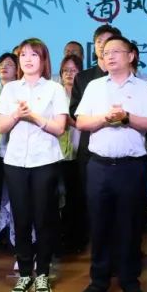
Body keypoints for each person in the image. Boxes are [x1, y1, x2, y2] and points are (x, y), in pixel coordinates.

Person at [75, 35, 147, 292]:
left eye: (115, 51)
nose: (109, 56)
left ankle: (130, 281)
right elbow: (81, 122)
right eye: (105, 52)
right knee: (99, 225)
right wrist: (105, 118)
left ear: (131, 56)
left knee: (130, 226)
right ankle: (98, 280)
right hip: (99, 166)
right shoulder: (94, 86)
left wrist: (126, 118)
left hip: (131, 167)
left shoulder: (144, 88)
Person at [0, 38, 69, 292]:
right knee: (21, 218)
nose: (27, 59)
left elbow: (59, 128)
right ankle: (25, 274)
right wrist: (17, 115)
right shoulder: (10, 89)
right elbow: (2, 127)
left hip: (44, 160)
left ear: (43, 59)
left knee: (44, 218)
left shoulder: (54, 89)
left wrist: (34, 116)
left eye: (34, 55)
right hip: (15, 161)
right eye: (23, 55)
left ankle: (43, 275)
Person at [69, 24, 122, 253]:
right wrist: (101, 118)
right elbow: (74, 111)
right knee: (91, 200)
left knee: (121, 204)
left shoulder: (128, 77)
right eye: (100, 42)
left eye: (109, 42)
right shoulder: (83, 78)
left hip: (121, 147)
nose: (104, 46)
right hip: (90, 147)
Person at [0, 52, 19, 250]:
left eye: (9, 64)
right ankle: (1, 236)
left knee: (15, 194)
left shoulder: (20, 90)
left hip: (14, 149)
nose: (4, 67)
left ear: (17, 69)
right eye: (1, 64)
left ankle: (16, 235)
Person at [57, 53, 84, 254]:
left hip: (77, 152)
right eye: (65, 70)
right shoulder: (54, 93)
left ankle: (76, 239)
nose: (69, 74)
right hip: (56, 153)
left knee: (75, 198)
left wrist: (70, 121)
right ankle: (59, 238)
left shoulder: (84, 94)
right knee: (57, 198)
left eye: (73, 70)